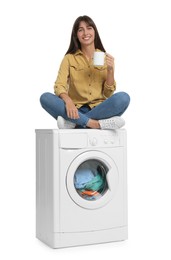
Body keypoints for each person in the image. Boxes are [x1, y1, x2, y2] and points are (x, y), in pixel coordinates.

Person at [40, 15, 130, 129]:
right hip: (74, 108)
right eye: (80, 30)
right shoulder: (69, 58)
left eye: (89, 28)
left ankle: (75, 123)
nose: (85, 33)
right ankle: (95, 124)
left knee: (123, 98)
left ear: (95, 31)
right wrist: (68, 101)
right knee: (45, 98)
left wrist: (111, 70)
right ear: (76, 35)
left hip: (100, 108)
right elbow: (59, 85)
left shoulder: (104, 57)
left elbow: (108, 94)